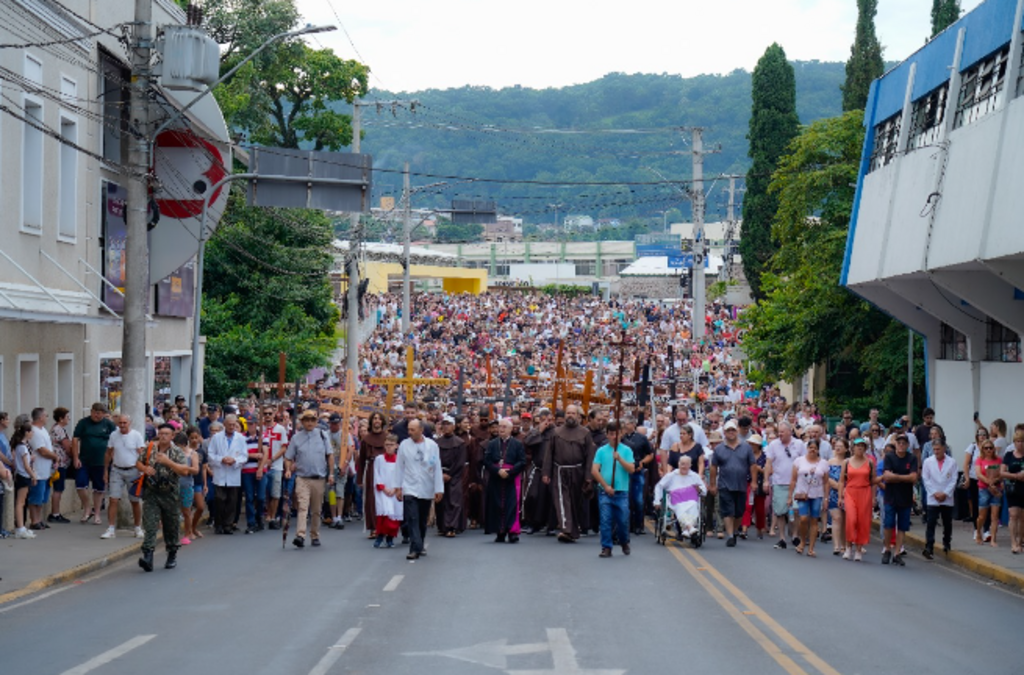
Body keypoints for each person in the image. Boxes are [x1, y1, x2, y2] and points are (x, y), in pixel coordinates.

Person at [136, 423, 191, 572]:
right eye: (161, 433)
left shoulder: (177, 452)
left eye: (166, 434)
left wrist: (168, 462)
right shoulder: (150, 448)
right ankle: (148, 556)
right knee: (150, 524)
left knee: (171, 525)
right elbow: (138, 462)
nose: (163, 436)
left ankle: (172, 553)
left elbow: (185, 471)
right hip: (152, 492)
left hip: (170, 494)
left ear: (172, 436)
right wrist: (144, 469)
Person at [543, 404, 596, 543]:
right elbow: (549, 453)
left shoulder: (585, 433)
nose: (570, 415)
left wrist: (588, 476)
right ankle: (565, 529)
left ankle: (572, 531)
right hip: (560, 470)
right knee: (562, 499)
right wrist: (546, 472)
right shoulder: (556, 432)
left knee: (574, 501)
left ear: (578, 416)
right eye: (568, 413)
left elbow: (590, 456)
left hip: (578, 471)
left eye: (573, 413)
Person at [285, 410, 336, 548]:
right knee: (302, 506)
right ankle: (300, 535)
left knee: (316, 509)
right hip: (302, 478)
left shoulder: (322, 435)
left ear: (316, 422)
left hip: (319, 478)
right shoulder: (296, 438)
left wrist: (331, 474)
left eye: (312, 420)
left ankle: (314, 535)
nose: (309, 423)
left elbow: (330, 456)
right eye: (306, 420)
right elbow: (288, 457)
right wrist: (288, 469)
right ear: (302, 422)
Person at [395, 419, 444, 561]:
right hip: (409, 486)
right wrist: (398, 487)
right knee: (412, 517)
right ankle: (414, 548)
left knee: (422, 519)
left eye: (413, 430)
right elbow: (399, 467)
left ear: (421, 430)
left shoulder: (432, 445)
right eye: (409, 429)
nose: (410, 432)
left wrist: (438, 488)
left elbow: (436, 467)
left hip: (426, 486)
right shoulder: (404, 445)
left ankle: (420, 543)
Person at [709, 419, 756, 547]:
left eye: (733, 430)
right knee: (728, 511)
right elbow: (713, 467)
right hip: (725, 484)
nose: (731, 433)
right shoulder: (719, 449)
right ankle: (730, 535)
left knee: (739, 511)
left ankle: (734, 531)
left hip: (741, 484)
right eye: (728, 430)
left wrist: (754, 481)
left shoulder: (746, 447)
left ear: (736, 431)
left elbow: (752, 465)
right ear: (724, 432)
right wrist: (713, 484)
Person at [591, 421, 634, 558]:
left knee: (623, 520)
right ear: (607, 435)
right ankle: (606, 547)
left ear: (621, 434)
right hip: (605, 492)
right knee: (605, 520)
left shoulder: (626, 450)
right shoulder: (601, 451)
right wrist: (605, 486)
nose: (614, 437)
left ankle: (624, 541)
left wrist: (620, 459)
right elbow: (595, 470)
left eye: (616, 433)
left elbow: (631, 469)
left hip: (621, 492)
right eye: (611, 434)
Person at [101, 414, 145, 540]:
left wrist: (142, 470)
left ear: (129, 423)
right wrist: (105, 470)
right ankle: (110, 529)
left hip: (133, 470)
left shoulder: (136, 435)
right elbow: (108, 453)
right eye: (120, 423)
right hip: (117, 470)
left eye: (124, 423)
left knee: (135, 501)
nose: (122, 425)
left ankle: (137, 527)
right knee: (113, 499)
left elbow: (141, 453)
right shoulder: (114, 435)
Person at [72, 403, 117, 524]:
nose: (96, 415)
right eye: (94, 412)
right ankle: (87, 507)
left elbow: (115, 441)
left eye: (99, 413)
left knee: (99, 488)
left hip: (101, 461)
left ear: (103, 414)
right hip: (85, 459)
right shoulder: (83, 423)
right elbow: (75, 439)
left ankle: (97, 513)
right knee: (80, 485)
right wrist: (76, 457)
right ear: (91, 411)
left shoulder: (108, 424)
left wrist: (112, 458)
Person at [484, 418, 527, 543]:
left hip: (511, 479)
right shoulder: (492, 444)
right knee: (497, 505)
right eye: (500, 426)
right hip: (496, 478)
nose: (501, 429)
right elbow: (487, 461)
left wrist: (510, 472)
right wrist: (498, 471)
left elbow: (522, 461)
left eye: (504, 427)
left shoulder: (517, 444)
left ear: (510, 429)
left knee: (511, 506)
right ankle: (500, 532)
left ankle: (512, 532)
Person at [765, 421, 806, 550]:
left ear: (789, 431)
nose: (780, 434)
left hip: (797, 483)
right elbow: (768, 463)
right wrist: (766, 480)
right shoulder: (773, 445)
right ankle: (782, 538)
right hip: (779, 482)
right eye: (779, 432)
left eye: (782, 432)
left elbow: (804, 462)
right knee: (780, 512)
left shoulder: (799, 444)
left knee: (796, 510)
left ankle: (794, 535)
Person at [207, 414, 248, 535]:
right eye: (229, 424)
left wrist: (235, 460)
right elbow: (211, 454)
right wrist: (221, 459)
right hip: (220, 472)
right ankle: (219, 524)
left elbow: (244, 456)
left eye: (234, 425)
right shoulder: (217, 438)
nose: (232, 427)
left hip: (233, 473)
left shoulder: (240, 438)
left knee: (232, 500)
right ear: (224, 424)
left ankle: (228, 525)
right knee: (219, 499)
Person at [787, 439, 828, 557]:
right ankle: (802, 541)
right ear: (807, 448)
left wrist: (826, 498)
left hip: (817, 495)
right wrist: (790, 496)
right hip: (802, 494)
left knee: (814, 520)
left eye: (815, 448)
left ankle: (811, 548)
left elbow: (826, 482)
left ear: (818, 450)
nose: (812, 450)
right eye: (811, 447)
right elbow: (793, 479)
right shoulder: (799, 461)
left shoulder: (823, 463)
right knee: (803, 519)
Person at [882, 434, 919, 566]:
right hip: (891, 496)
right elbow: (886, 476)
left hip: (905, 497)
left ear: (908, 445)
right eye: (899, 443)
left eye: (904, 443)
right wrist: (905, 477)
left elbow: (914, 477)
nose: (901, 445)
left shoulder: (912, 458)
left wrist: (896, 477)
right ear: (896, 444)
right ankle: (887, 549)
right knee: (888, 523)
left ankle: (897, 552)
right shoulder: (890, 457)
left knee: (902, 526)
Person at [839, 438, 876, 562]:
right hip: (850, 491)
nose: (859, 448)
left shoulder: (870, 462)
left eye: (862, 446)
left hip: (865, 492)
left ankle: (859, 549)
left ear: (865, 448)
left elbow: (873, 481)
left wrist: (875, 495)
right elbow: (841, 481)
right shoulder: (847, 462)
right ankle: (848, 546)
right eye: (857, 446)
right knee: (851, 519)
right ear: (852, 448)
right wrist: (840, 496)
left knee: (862, 521)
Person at [653, 455, 707, 536]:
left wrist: (699, 489)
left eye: (686, 464)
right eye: (682, 464)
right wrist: (657, 500)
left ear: (690, 465)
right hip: (676, 499)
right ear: (678, 464)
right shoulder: (671, 475)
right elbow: (659, 486)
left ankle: (686, 529)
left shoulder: (694, 476)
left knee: (694, 505)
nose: (684, 466)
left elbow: (704, 491)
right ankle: (690, 527)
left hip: (691, 499)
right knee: (679, 506)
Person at [921, 438, 957, 559]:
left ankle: (947, 542)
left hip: (946, 497)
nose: (936, 452)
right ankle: (929, 546)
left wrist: (945, 493)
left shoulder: (951, 462)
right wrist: (934, 493)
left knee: (947, 522)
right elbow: (925, 479)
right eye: (934, 449)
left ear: (944, 449)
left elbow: (953, 479)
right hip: (933, 496)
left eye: (938, 449)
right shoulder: (928, 462)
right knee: (931, 522)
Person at [521, 408, 555, 535]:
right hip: (537, 468)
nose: (547, 422)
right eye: (543, 420)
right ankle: (531, 523)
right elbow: (527, 443)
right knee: (532, 495)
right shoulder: (535, 431)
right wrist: (539, 431)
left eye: (549, 420)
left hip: (551, 469)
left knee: (550, 497)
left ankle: (550, 525)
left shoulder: (556, 432)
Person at [621, 416, 654, 535]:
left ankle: (639, 525)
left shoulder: (642, 438)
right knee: (625, 500)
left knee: (638, 499)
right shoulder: (621, 439)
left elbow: (650, 454)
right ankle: (626, 524)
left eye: (628, 423)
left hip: (637, 471)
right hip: (623, 471)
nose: (626, 425)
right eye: (624, 423)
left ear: (633, 424)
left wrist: (642, 462)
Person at [25, 408, 56, 531]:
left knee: (43, 497)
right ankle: (34, 520)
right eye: (46, 415)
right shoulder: (35, 431)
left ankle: (39, 519)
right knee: (35, 497)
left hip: (46, 470)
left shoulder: (43, 430)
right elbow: (42, 450)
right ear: (40, 417)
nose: (48, 418)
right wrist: (55, 456)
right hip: (37, 471)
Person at [436, 415, 467, 537]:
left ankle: (452, 527)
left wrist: (449, 474)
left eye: (448, 424)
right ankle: (442, 526)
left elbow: (460, 462)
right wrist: (440, 473)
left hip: (455, 475)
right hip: (439, 474)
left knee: (453, 500)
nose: (446, 426)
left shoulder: (460, 443)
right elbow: (434, 459)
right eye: (444, 424)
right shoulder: (437, 443)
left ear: (454, 426)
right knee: (440, 501)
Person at [360, 412, 388, 537]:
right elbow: (361, 460)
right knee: (371, 498)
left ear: (382, 422)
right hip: (371, 469)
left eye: (379, 419)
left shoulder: (388, 437)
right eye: (374, 418)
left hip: (386, 469)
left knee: (385, 497)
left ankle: (385, 526)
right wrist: (359, 479)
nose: (377, 421)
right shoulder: (366, 439)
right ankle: (373, 527)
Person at [372, 434, 403, 548]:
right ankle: (380, 536)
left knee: (394, 515)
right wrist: (383, 488)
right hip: (383, 490)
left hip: (395, 490)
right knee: (383, 514)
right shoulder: (379, 459)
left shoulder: (399, 460)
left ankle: (390, 537)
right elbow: (377, 474)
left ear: (396, 446)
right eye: (387, 445)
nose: (389, 447)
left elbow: (401, 475)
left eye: (391, 445)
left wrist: (395, 489)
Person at [261, 407, 289, 531]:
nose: (267, 415)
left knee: (275, 493)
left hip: (276, 465)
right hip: (263, 465)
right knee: (264, 492)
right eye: (265, 413)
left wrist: (271, 459)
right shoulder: (260, 429)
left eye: (270, 413)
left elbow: (284, 448)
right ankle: (267, 514)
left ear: (274, 415)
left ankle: (272, 516)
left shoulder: (281, 429)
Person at [12, 423, 37, 539]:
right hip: (23, 475)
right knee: (20, 502)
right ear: (26, 432)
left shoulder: (22, 446)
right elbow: (26, 466)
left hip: (22, 475)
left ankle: (21, 526)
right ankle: (20, 527)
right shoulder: (22, 447)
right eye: (31, 431)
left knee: (21, 502)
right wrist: (33, 475)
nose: (32, 433)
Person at [975, 439, 1002, 548]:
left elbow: (1002, 473)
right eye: (986, 448)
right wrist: (988, 482)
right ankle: (978, 533)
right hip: (984, 489)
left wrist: (995, 481)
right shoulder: (979, 460)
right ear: (983, 449)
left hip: (996, 488)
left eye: (990, 448)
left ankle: (993, 538)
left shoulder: (999, 460)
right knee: (982, 516)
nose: (989, 450)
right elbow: (978, 474)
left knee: (995, 516)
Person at [47, 407, 72, 524]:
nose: (69, 419)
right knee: (58, 488)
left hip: (59, 462)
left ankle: (56, 513)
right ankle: (55, 513)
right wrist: (74, 455)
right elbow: (67, 446)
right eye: (67, 417)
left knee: (59, 488)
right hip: (60, 463)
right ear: (61, 418)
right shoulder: (59, 430)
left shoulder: (55, 428)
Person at [1002, 430, 1024, 554]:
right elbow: (1002, 471)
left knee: (1022, 517)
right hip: (1013, 488)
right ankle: (1013, 543)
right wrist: (1015, 476)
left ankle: (1020, 541)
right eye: (1017, 441)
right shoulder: (1009, 455)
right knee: (1013, 515)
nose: (1020, 444)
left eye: (1022, 441)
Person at [826, 438, 848, 556]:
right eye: (836, 445)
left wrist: (844, 489)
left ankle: (844, 545)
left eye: (841, 446)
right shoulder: (830, 462)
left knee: (845, 520)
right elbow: (826, 477)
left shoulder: (849, 462)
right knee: (836, 518)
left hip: (846, 492)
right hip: (833, 493)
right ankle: (836, 545)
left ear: (846, 448)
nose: (838, 448)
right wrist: (836, 486)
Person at [744, 433, 768, 539]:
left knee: (759, 508)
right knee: (747, 506)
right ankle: (744, 529)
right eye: (750, 444)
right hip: (748, 482)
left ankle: (760, 528)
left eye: (753, 444)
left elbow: (768, 471)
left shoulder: (765, 457)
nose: (751, 446)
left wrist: (758, 469)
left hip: (760, 483)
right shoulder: (746, 455)